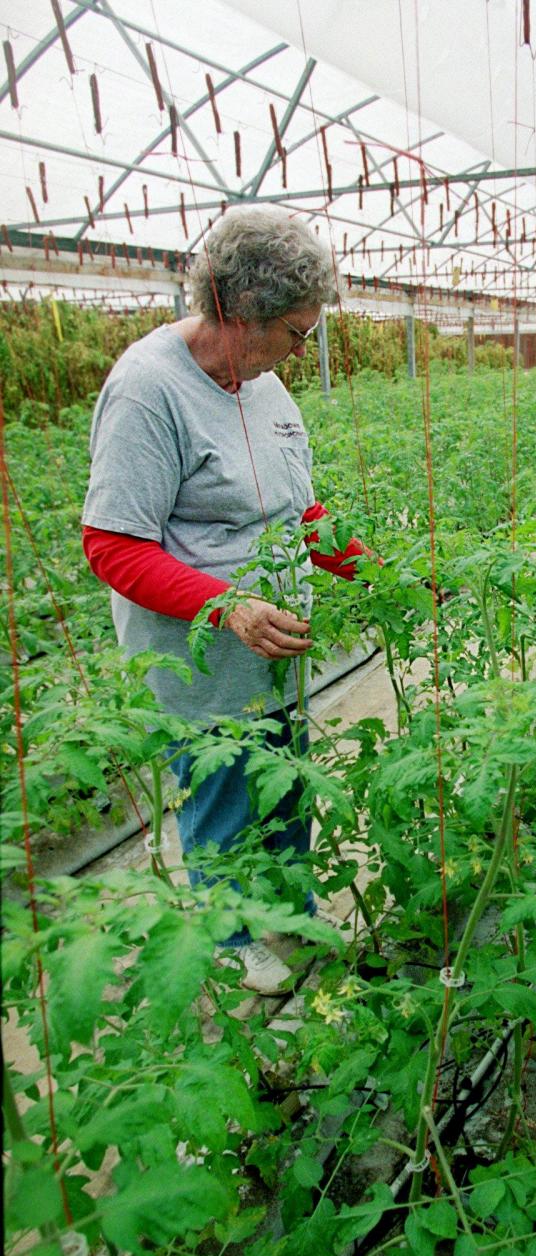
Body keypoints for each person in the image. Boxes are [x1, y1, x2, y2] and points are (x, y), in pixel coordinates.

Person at [82, 206, 369, 994]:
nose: (301, 352)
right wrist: (227, 607)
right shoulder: (148, 391)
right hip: (200, 664)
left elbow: (299, 515)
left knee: (286, 789)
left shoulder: (268, 386)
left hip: (276, 653)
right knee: (219, 804)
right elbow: (113, 544)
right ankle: (228, 936)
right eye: (296, 332)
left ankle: (294, 910)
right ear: (242, 314)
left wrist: (378, 570)